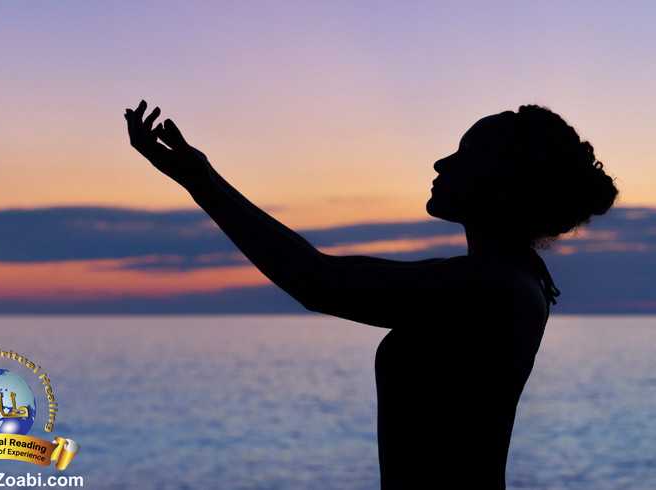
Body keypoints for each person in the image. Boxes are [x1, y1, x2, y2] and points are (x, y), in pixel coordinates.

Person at [123, 101, 618, 489]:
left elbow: (315, 280)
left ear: (501, 183)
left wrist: (199, 179)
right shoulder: (506, 278)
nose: (442, 161)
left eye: (465, 155)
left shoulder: (491, 288)